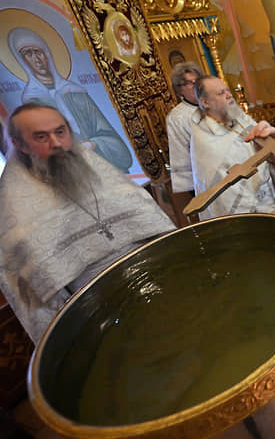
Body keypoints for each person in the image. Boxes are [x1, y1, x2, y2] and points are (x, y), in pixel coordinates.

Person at [0, 104, 174, 343]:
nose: (56, 143)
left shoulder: (91, 164)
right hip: (99, 311)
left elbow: (149, 218)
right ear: (19, 144)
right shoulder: (12, 202)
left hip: (157, 276)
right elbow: (38, 297)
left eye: (60, 131)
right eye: (41, 136)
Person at [10, 26, 133, 173]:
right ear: (22, 61)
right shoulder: (31, 103)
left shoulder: (75, 92)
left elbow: (119, 147)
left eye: (38, 52)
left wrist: (93, 145)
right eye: (28, 54)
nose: (36, 59)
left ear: (47, 55)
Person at [190, 76, 275, 219]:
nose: (229, 95)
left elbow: (265, 152)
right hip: (242, 213)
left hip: (266, 198)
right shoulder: (203, 137)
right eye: (221, 93)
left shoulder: (240, 119)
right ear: (205, 102)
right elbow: (220, 188)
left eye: (227, 90)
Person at [166, 61, 204, 193]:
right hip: (206, 178)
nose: (196, 85)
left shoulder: (214, 103)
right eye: (189, 83)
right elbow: (180, 153)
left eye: (198, 81)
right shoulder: (177, 118)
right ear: (179, 90)